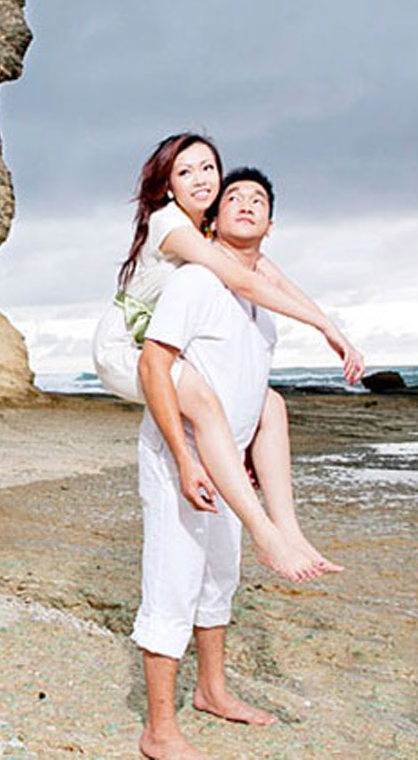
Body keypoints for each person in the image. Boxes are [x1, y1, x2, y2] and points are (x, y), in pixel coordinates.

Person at [93, 133, 360, 580]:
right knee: (203, 397)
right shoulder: (171, 224)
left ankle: (290, 530)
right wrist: (320, 328)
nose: (200, 179)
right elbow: (247, 283)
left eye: (208, 168)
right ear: (167, 186)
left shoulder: (206, 229)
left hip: (153, 341)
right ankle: (264, 534)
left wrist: (331, 326)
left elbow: (272, 277)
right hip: (121, 348)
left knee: (268, 403)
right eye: (185, 171)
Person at [134, 168, 294, 760]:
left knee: (219, 576)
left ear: (271, 225)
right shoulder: (197, 282)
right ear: (213, 219)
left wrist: (248, 454)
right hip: (181, 457)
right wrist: (183, 459)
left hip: (229, 463)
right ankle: (158, 731)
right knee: (173, 579)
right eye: (235, 199)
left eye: (259, 201)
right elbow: (155, 368)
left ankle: (212, 691)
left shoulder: (262, 309)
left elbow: (251, 388)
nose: (247, 205)